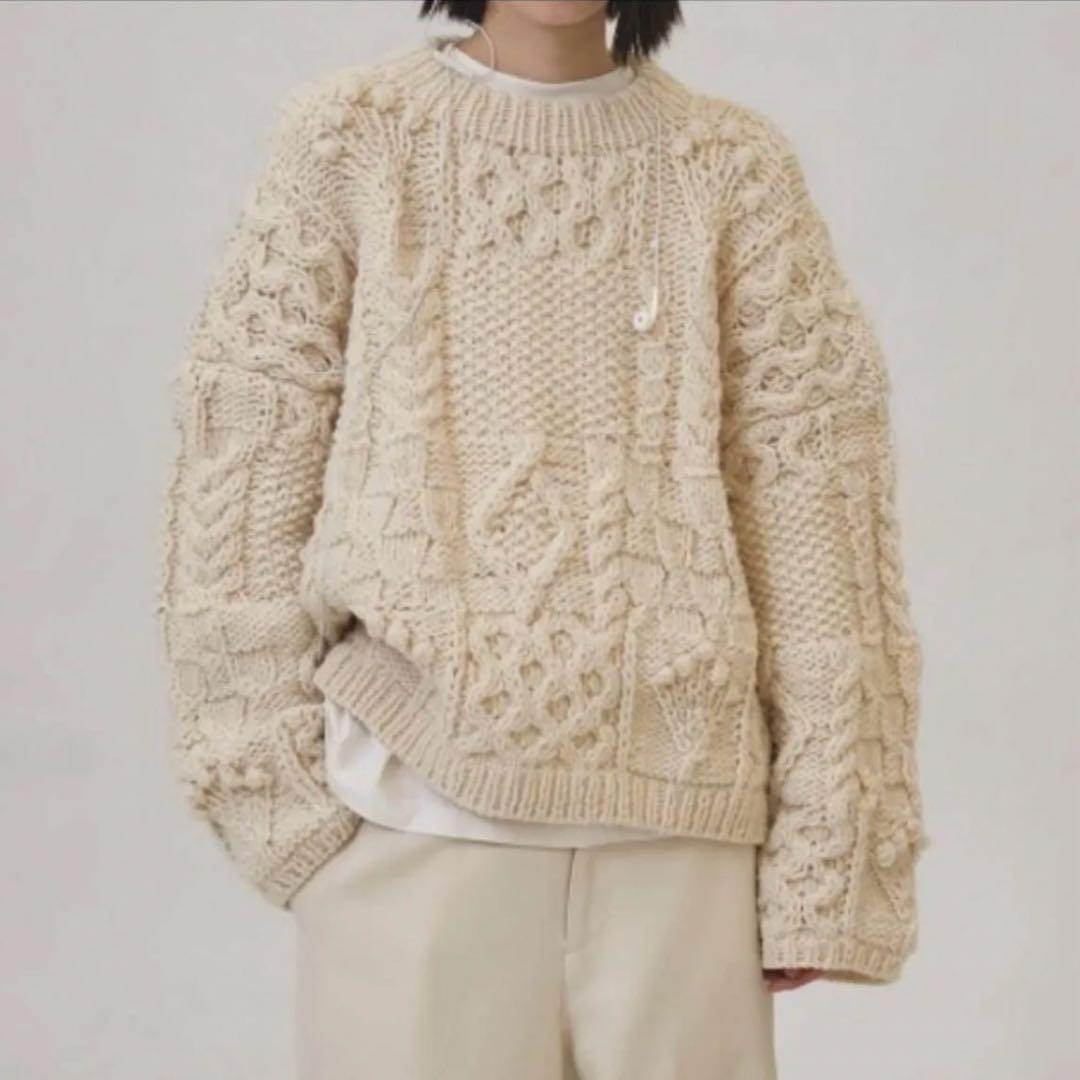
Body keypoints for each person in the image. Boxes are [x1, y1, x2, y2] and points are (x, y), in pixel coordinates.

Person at [154, 2, 929, 1077]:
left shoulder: (733, 169)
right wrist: (275, 801)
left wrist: (827, 850)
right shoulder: (352, 139)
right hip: (413, 819)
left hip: (685, 844)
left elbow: (818, 506)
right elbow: (243, 463)